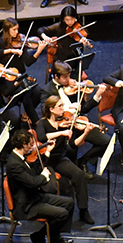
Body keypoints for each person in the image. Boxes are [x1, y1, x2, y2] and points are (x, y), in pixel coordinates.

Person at [5, 128, 74, 243]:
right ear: (24, 145)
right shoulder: (14, 164)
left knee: (69, 202)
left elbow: (36, 170)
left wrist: (47, 153)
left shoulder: (21, 157)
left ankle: (54, 238)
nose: (33, 146)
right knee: (62, 213)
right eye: (31, 144)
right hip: (27, 205)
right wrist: (44, 176)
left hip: (35, 197)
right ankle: (38, 237)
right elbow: (32, 182)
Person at [36, 96, 100, 224]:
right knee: (51, 185)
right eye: (60, 106)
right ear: (52, 109)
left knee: (79, 175)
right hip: (46, 161)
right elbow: (42, 137)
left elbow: (71, 146)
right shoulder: (42, 123)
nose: (63, 108)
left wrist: (85, 133)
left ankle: (83, 210)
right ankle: (50, 212)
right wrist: (61, 133)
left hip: (59, 159)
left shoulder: (63, 123)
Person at [40, 6, 94, 77]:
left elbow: (86, 49)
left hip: (74, 59)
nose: (70, 22)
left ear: (75, 18)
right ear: (63, 19)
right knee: (59, 77)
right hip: (61, 59)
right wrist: (45, 36)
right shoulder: (59, 27)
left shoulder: (79, 28)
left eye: (72, 19)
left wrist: (83, 45)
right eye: (67, 20)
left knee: (74, 77)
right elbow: (41, 29)